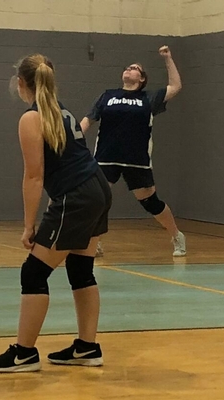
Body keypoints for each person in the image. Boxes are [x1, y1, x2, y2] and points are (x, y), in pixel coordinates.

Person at [0, 54, 112, 373]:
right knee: (81, 269)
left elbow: (34, 176)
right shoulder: (62, 110)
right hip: (97, 189)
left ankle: (24, 353)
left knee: (34, 273)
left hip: (77, 196)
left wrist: (29, 225)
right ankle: (86, 347)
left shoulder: (32, 118)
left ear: (21, 83)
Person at [80, 46, 185, 257]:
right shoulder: (107, 96)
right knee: (98, 199)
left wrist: (168, 59)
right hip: (106, 157)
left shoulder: (148, 99)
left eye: (134, 68)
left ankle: (176, 235)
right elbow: (88, 119)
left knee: (150, 203)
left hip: (136, 160)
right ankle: (95, 241)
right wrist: (74, 140)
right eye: (127, 67)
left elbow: (175, 86)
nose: (129, 69)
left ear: (141, 79)